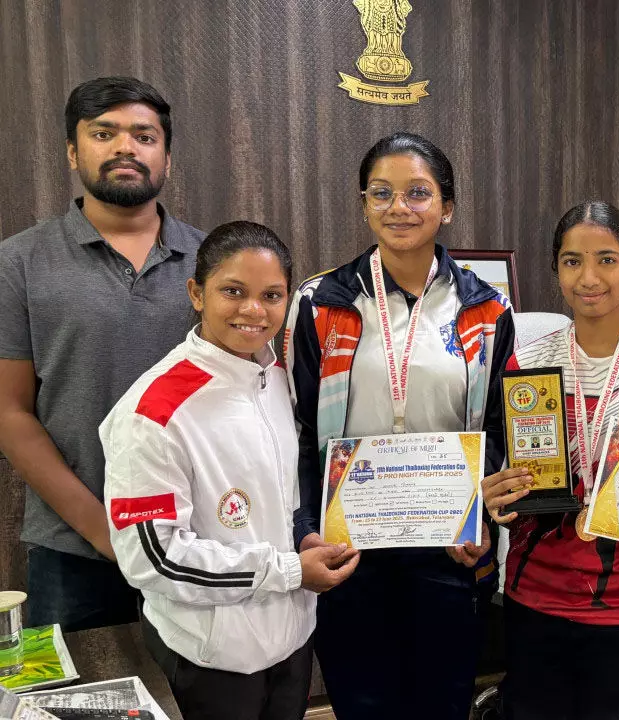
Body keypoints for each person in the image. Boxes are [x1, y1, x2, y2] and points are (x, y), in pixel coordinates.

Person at [286, 132, 517, 719]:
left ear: (447, 207)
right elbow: (300, 431)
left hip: (448, 546)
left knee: (441, 702)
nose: (399, 207)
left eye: (417, 192)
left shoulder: (487, 308)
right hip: (349, 545)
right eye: (381, 193)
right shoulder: (320, 302)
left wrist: (478, 517)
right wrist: (307, 529)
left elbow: (499, 428)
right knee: (362, 702)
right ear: (364, 203)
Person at [99, 221, 359, 720]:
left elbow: (281, 498)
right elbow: (153, 558)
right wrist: (288, 570)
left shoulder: (277, 377)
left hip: (292, 642)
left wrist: (303, 538)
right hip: (212, 657)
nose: (254, 310)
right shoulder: (152, 412)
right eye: (233, 291)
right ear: (197, 294)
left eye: (271, 295)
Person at [482, 201, 619, 720]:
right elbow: (512, 483)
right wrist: (498, 498)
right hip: (533, 595)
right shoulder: (526, 363)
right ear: (556, 270)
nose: (589, 278)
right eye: (572, 261)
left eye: (607, 259)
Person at [0, 76, 205, 631]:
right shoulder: (18, 262)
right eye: (103, 133)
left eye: (144, 136)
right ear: (73, 151)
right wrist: (103, 529)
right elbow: (10, 413)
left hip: (199, 537)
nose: (124, 148)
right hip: (76, 547)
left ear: (167, 157)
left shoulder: (214, 262)